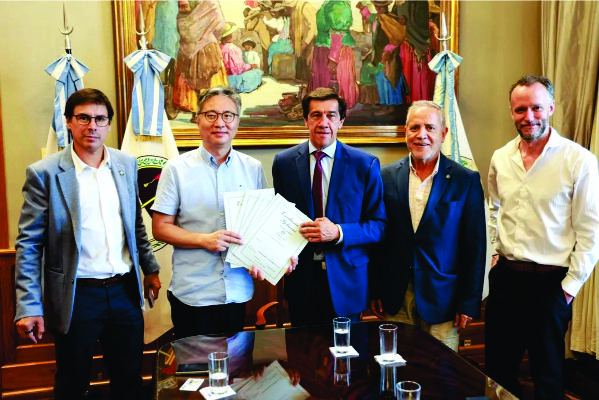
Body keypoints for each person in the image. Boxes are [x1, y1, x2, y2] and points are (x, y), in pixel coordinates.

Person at [14, 88, 162, 399]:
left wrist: (151, 269)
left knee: (129, 380)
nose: (92, 126)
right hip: (77, 296)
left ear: (109, 124)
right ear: (68, 122)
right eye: (83, 118)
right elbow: (29, 245)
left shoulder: (126, 164)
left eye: (100, 119)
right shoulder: (44, 173)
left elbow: (135, 225)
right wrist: (28, 306)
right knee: (72, 382)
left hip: (124, 292)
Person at [486, 75, 599, 399]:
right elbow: (493, 209)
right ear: (511, 111)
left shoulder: (578, 160)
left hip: (551, 285)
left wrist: (568, 289)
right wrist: (494, 253)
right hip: (505, 280)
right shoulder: (501, 158)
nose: (529, 116)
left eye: (536, 108)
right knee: (497, 374)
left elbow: (591, 232)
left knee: (547, 379)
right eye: (520, 109)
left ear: (550, 107)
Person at [152, 87, 290, 338]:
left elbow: (262, 227)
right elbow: (160, 228)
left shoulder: (253, 168)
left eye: (228, 115)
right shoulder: (176, 169)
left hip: (237, 291)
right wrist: (204, 240)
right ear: (198, 119)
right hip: (193, 293)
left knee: (235, 362)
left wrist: (273, 258)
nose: (220, 123)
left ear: (237, 121)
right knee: (194, 363)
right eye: (211, 115)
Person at [370, 101, 486, 351]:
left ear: (443, 134)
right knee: (396, 364)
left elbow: (474, 248)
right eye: (415, 128)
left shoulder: (465, 180)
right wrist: (375, 290)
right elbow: (380, 240)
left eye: (430, 128)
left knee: (441, 370)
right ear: (405, 132)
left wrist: (468, 301)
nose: (421, 135)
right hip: (396, 296)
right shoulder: (385, 176)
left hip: (444, 298)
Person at [272, 87, 386, 327]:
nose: (323, 122)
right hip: (301, 281)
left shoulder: (364, 164)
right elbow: (278, 219)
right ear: (305, 120)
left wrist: (339, 232)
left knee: (348, 351)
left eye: (331, 115)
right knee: (302, 350)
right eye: (316, 115)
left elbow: (378, 226)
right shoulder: (284, 163)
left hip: (347, 281)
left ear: (341, 121)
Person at [220, 22, 263, 93]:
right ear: (229, 36)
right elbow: (238, 69)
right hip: (232, 80)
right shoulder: (233, 49)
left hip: (221, 79)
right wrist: (250, 66)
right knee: (257, 73)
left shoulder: (218, 47)